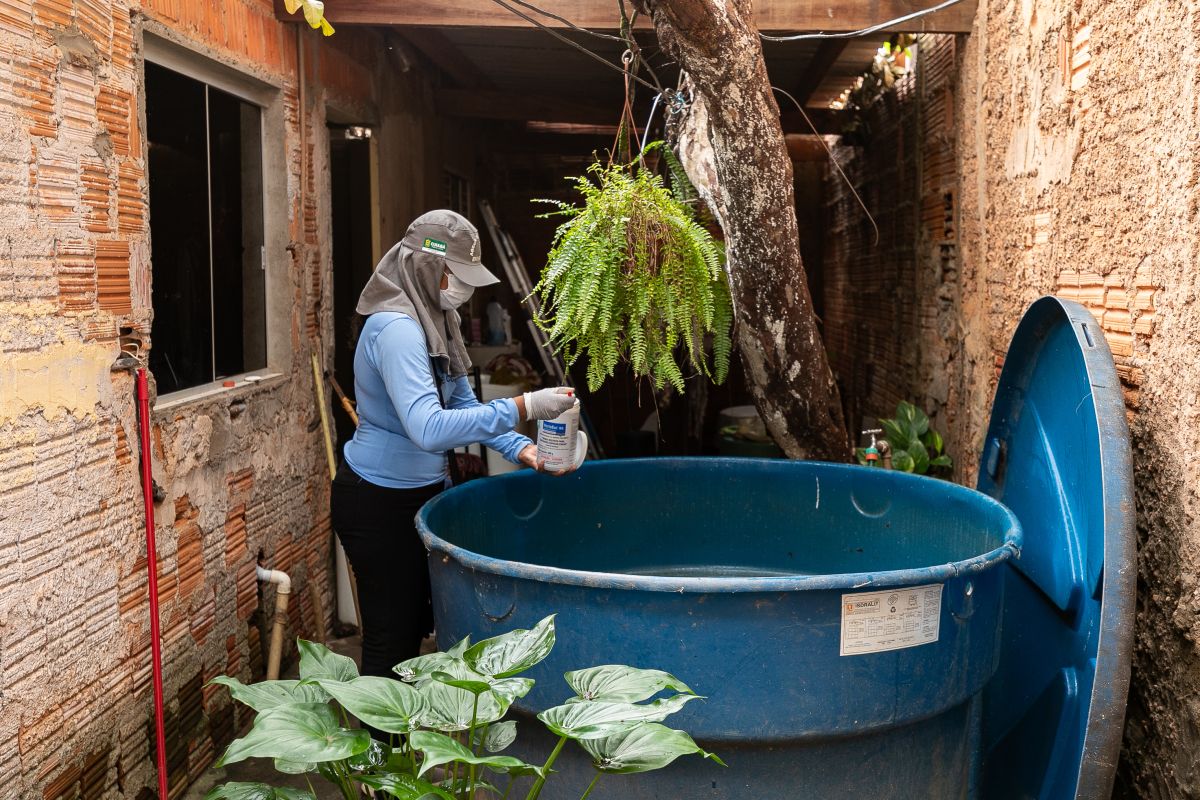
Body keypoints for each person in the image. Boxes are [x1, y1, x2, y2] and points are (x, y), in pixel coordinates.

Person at [330, 209, 576, 688]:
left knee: (417, 629)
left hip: (420, 493)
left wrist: (523, 450)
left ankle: (406, 745)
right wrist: (523, 405)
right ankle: (382, 755)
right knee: (391, 640)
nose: (461, 289)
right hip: (376, 500)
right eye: (454, 276)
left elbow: (464, 402)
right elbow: (428, 427)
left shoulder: (438, 318)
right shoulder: (397, 329)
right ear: (426, 265)